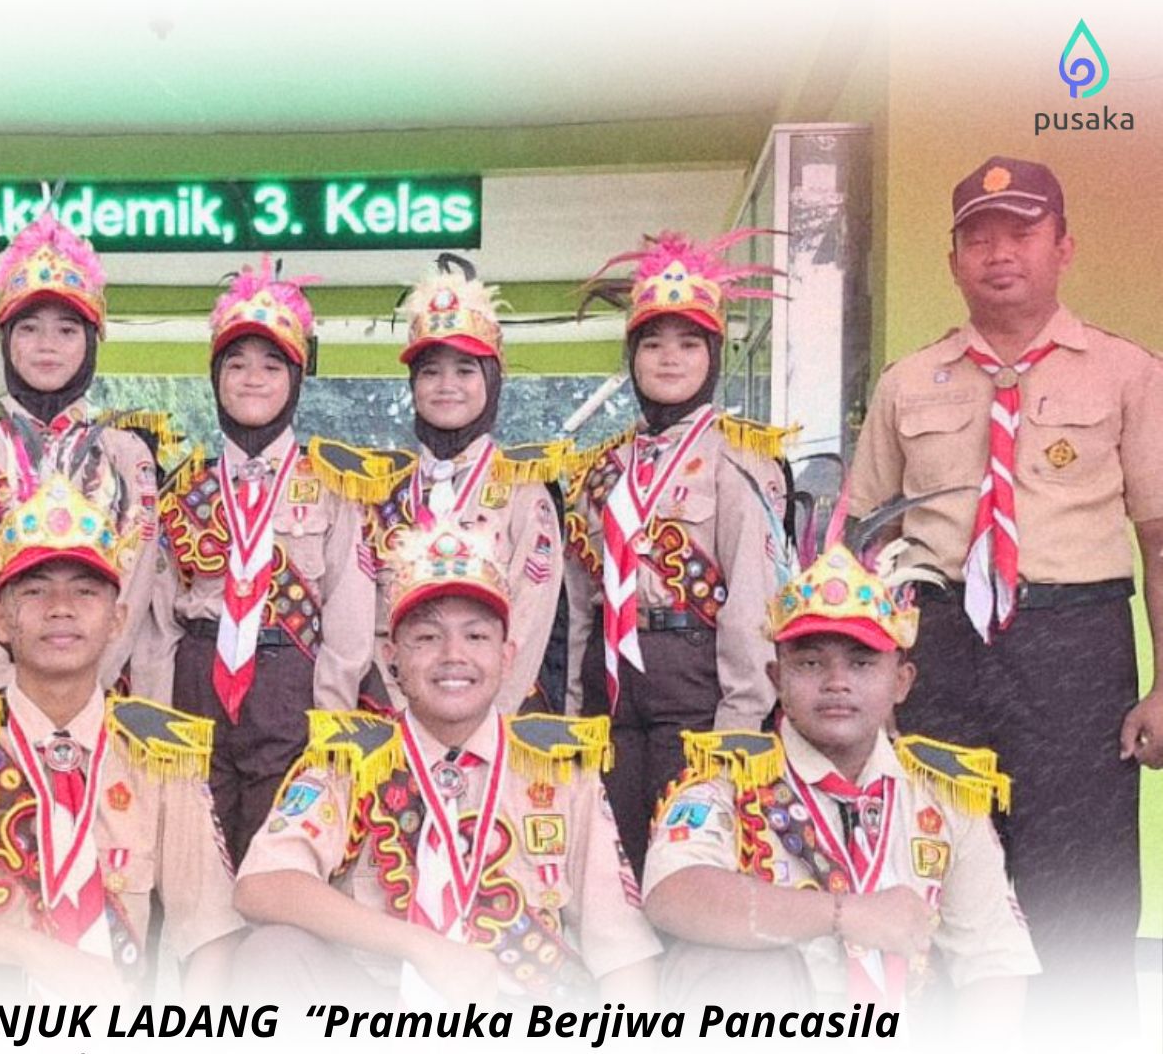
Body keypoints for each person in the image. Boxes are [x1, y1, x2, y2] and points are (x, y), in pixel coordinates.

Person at [845, 156, 1162, 1021]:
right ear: (953, 261)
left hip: (1077, 644)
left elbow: (1159, 538)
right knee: (938, 861)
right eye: (976, 238)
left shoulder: (1127, 373)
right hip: (941, 648)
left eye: (1020, 233)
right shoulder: (909, 382)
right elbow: (860, 539)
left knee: (1082, 881)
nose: (998, 254)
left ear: (1063, 245)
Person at [0, 475, 241, 1001]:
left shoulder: (157, 756)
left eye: (84, 591)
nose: (60, 607)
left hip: (107, 1036)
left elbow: (210, 930)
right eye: (34, 591)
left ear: (118, 619)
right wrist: (34, 952)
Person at [233, 522, 660, 1006]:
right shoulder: (350, 762)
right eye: (428, 638)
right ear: (391, 657)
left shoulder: (560, 771)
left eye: (476, 636)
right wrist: (420, 947)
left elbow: (622, 950)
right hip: (379, 1015)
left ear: (506, 655)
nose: (453, 656)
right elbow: (261, 886)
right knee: (271, 954)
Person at [643, 535, 1037, 1031]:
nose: (837, 682)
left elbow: (993, 959)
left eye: (862, 662)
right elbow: (672, 894)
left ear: (902, 682)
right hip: (775, 1050)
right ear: (776, 677)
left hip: (902, 1052)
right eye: (810, 663)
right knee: (729, 973)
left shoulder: (943, 793)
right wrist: (844, 914)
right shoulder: (727, 779)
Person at [562, 229, 794, 876]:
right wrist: (576, 708)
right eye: (653, 342)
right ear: (631, 354)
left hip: (695, 675)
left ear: (714, 355)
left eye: (689, 343)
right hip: (609, 680)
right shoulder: (599, 468)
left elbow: (754, 603)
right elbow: (582, 601)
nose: (669, 358)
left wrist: (737, 726)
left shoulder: (742, 460)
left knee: (687, 855)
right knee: (610, 860)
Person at [158, 258, 378, 865]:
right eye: (236, 364)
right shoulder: (183, 488)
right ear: (215, 378)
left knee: (277, 857)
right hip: (197, 681)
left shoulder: (335, 481)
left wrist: (331, 716)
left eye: (271, 364)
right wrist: (155, 720)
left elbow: (351, 611)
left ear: (296, 379)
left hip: (291, 682)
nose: (252, 379)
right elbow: (156, 617)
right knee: (193, 853)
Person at [0, 211, 175, 698]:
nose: (46, 347)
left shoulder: (124, 454)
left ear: (92, 343)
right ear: (7, 341)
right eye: (29, 328)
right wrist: (0, 683)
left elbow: (137, 582)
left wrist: (80, 687)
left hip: (96, 688)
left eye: (67, 330)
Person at [368, 256, 570, 714]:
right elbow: (373, 621)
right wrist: (404, 711)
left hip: (496, 719)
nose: (446, 385)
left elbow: (529, 621)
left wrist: (480, 721)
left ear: (492, 381)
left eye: (464, 370)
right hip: (398, 719)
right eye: (430, 371)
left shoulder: (523, 488)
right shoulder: (382, 489)